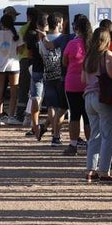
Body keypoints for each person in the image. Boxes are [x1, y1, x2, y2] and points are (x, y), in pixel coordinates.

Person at [82, 25, 112, 183]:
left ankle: (91, 169)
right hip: (102, 97)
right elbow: (111, 74)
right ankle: (104, 171)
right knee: (108, 134)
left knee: (94, 135)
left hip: (88, 97)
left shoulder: (88, 56)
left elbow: (83, 79)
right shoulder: (107, 55)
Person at [61, 15, 91, 156]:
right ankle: (91, 144)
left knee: (74, 115)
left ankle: (73, 145)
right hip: (89, 84)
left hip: (72, 83)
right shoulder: (92, 44)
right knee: (88, 116)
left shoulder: (72, 44)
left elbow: (64, 62)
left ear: (76, 28)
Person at [39, 15, 69, 147]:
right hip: (61, 76)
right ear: (58, 23)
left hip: (47, 75)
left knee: (51, 106)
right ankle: (56, 134)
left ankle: (51, 131)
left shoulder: (42, 40)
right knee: (62, 108)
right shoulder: (64, 38)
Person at [0, 14, 22, 125]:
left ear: (2, 23)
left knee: (0, 91)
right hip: (13, 65)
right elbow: (21, 49)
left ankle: (0, 116)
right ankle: (11, 116)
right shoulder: (16, 34)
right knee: (14, 92)